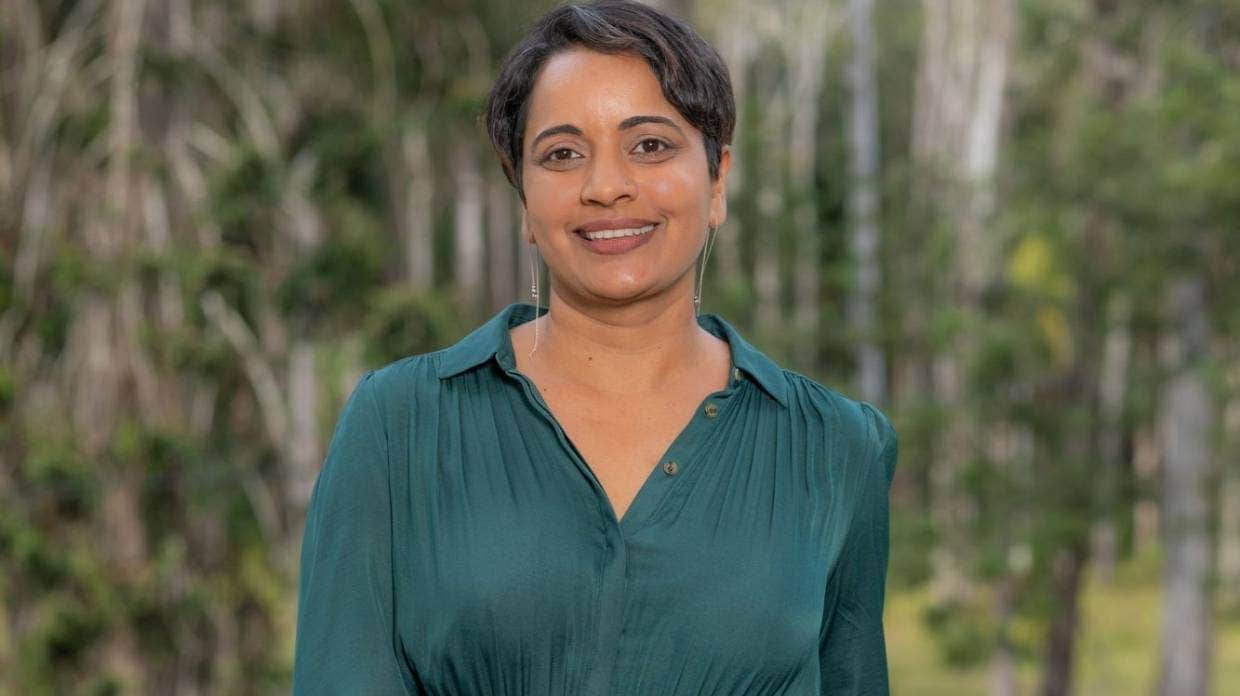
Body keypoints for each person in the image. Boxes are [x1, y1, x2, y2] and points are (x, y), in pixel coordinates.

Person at [291, 1, 898, 694]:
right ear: (523, 197)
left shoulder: (834, 449)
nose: (606, 186)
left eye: (649, 146)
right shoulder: (397, 427)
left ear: (718, 178)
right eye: (562, 154)